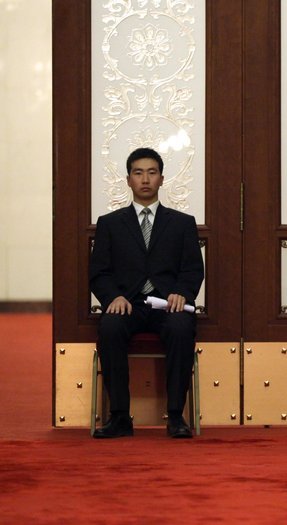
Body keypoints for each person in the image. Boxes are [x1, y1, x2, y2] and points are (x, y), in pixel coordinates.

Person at [89, 147, 204, 439]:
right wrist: (113, 297)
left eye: (152, 173)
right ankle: (119, 417)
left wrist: (181, 293)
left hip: (167, 305)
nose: (145, 179)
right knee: (110, 327)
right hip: (128, 304)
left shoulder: (182, 223)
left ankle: (176, 416)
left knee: (181, 328)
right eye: (138, 173)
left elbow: (192, 270)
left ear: (162, 179)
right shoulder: (110, 224)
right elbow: (99, 272)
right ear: (128, 179)